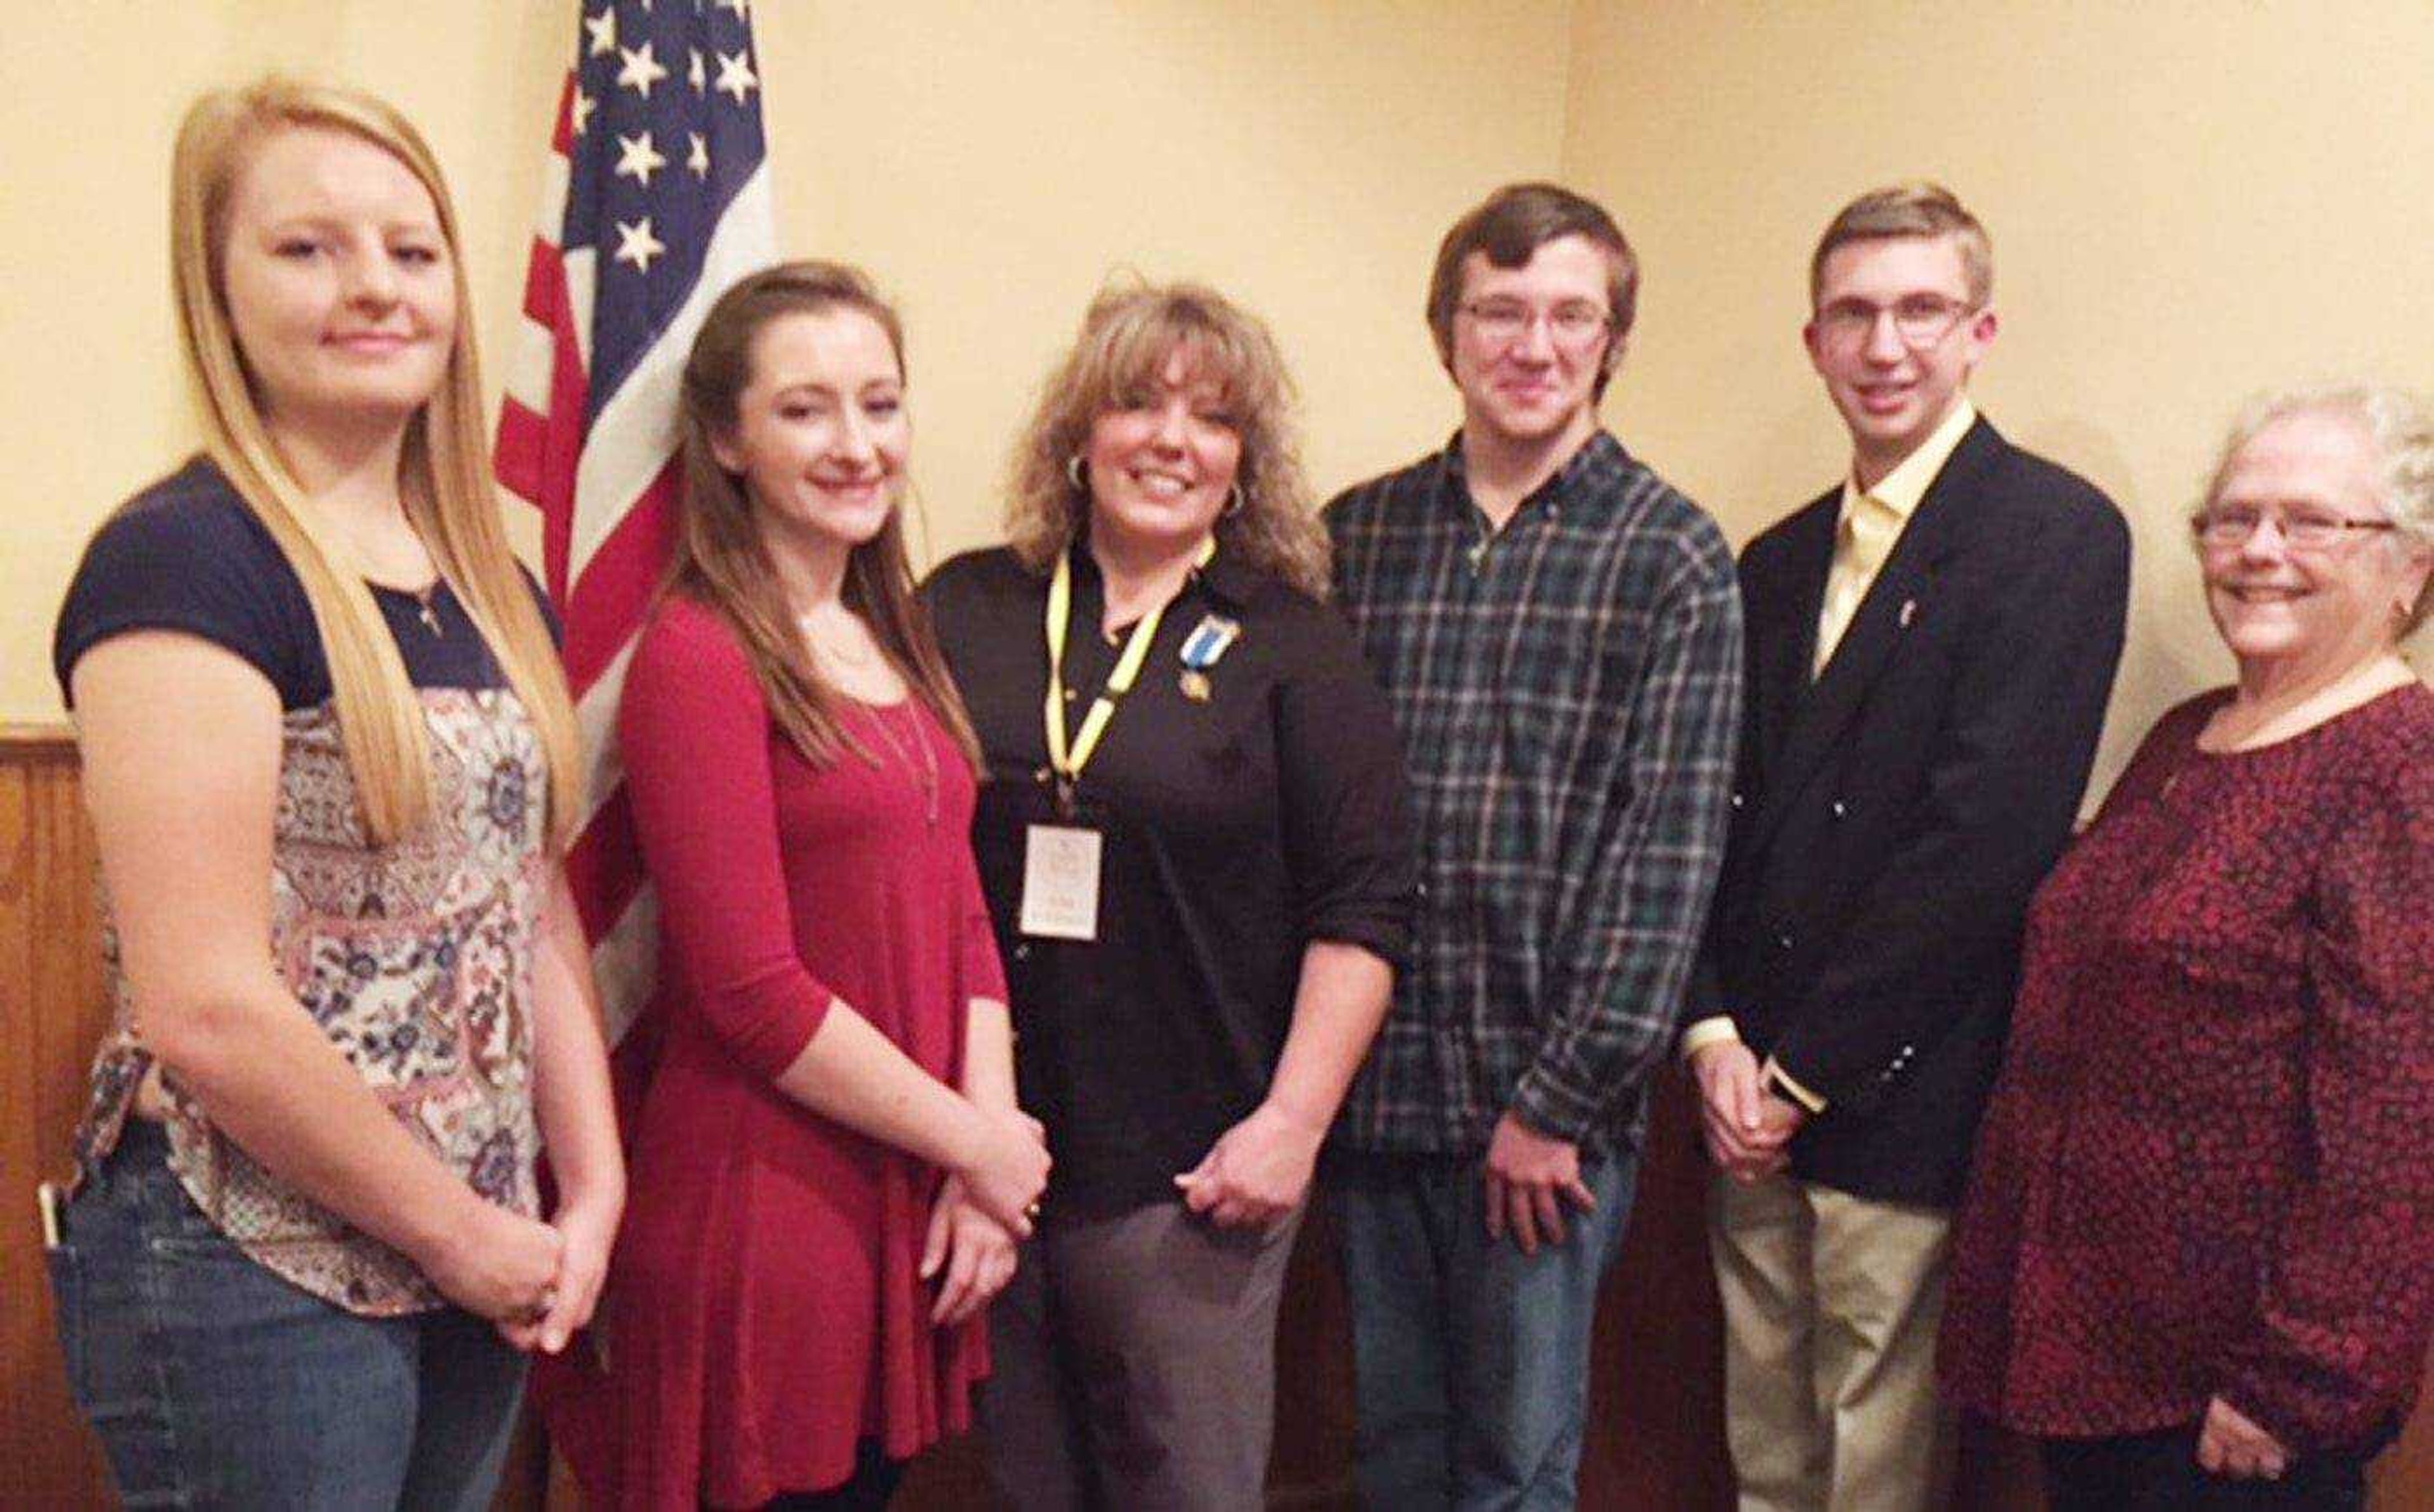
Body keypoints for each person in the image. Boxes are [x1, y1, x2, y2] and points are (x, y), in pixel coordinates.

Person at [41, 77, 624, 1509]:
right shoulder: (183, 562)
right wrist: (466, 1236)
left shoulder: (491, 581)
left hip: (468, 1247)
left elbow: (528, 907)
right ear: (219, 289)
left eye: (411, 252)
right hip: (252, 1274)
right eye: (308, 249)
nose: (373, 286)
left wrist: (590, 1187)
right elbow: (205, 1005)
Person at [925, 279, 1414, 1511]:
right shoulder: (966, 604)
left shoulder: (1291, 640)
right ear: (1078, 432)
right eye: (1137, 402)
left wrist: (1292, 1124)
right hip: (986, 1154)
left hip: (1191, 1175)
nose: (1169, 439)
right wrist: (951, 1135)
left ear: (1244, 460)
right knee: (1029, 1486)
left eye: (1211, 418)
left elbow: (1364, 906)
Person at [1683, 181, 2130, 1512]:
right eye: (1855, 314)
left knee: (1870, 1467)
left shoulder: (2054, 534)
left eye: (1922, 310)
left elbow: (1985, 841)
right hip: (1739, 1084)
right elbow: (1708, 812)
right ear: (1813, 341)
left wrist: (1802, 1072)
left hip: (1898, 1084)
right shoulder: (1766, 563)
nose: (1887, 345)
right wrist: (1712, 1041)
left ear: (1980, 330)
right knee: (1766, 1451)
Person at [599, 262, 1050, 1511]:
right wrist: (979, 1143)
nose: (858, 444)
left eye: (881, 403)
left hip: (906, 1181)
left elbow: (957, 898)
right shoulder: (697, 655)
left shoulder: (890, 630)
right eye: (806, 410)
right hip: (770, 1200)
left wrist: (986, 1157)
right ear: (729, 440)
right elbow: (748, 992)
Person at [1323, 182, 1744, 1508]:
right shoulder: (1355, 535)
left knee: (1514, 1467)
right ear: (1446, 331)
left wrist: (1555, 1105)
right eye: (1499, 311)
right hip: (1374, 1087)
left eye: (1572, 314)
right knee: (1392, 1447)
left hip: (1550, 1121)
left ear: (1612, 340)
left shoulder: (1673, 554)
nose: (1534, 344)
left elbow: (1665, 859)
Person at [1941, 387, 2433, 1511]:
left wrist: (2301, 1382)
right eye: (2232, 517)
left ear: (2410, 568)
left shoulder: (2405, 774)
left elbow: (2397, 1127)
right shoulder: (2187, 735)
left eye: (2311, 523)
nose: (2259, 550)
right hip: (2089, 1359)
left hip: (2234, 1407)